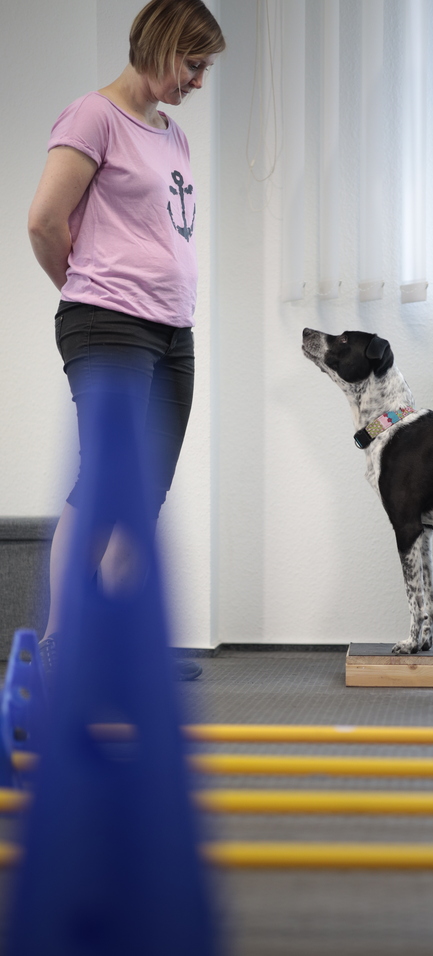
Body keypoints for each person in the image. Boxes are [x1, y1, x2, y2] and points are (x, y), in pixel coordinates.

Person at [27, 0, 225, 680]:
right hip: (108, 322)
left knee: (146, 493)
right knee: (104, 481)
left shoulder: (173, 135)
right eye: (193, 64)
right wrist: (87, 289)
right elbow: (44, 221)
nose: (198, 80)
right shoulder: (93, 116)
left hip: (172, 330)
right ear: (163, 45)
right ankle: (60, 644)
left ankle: (120, 649)